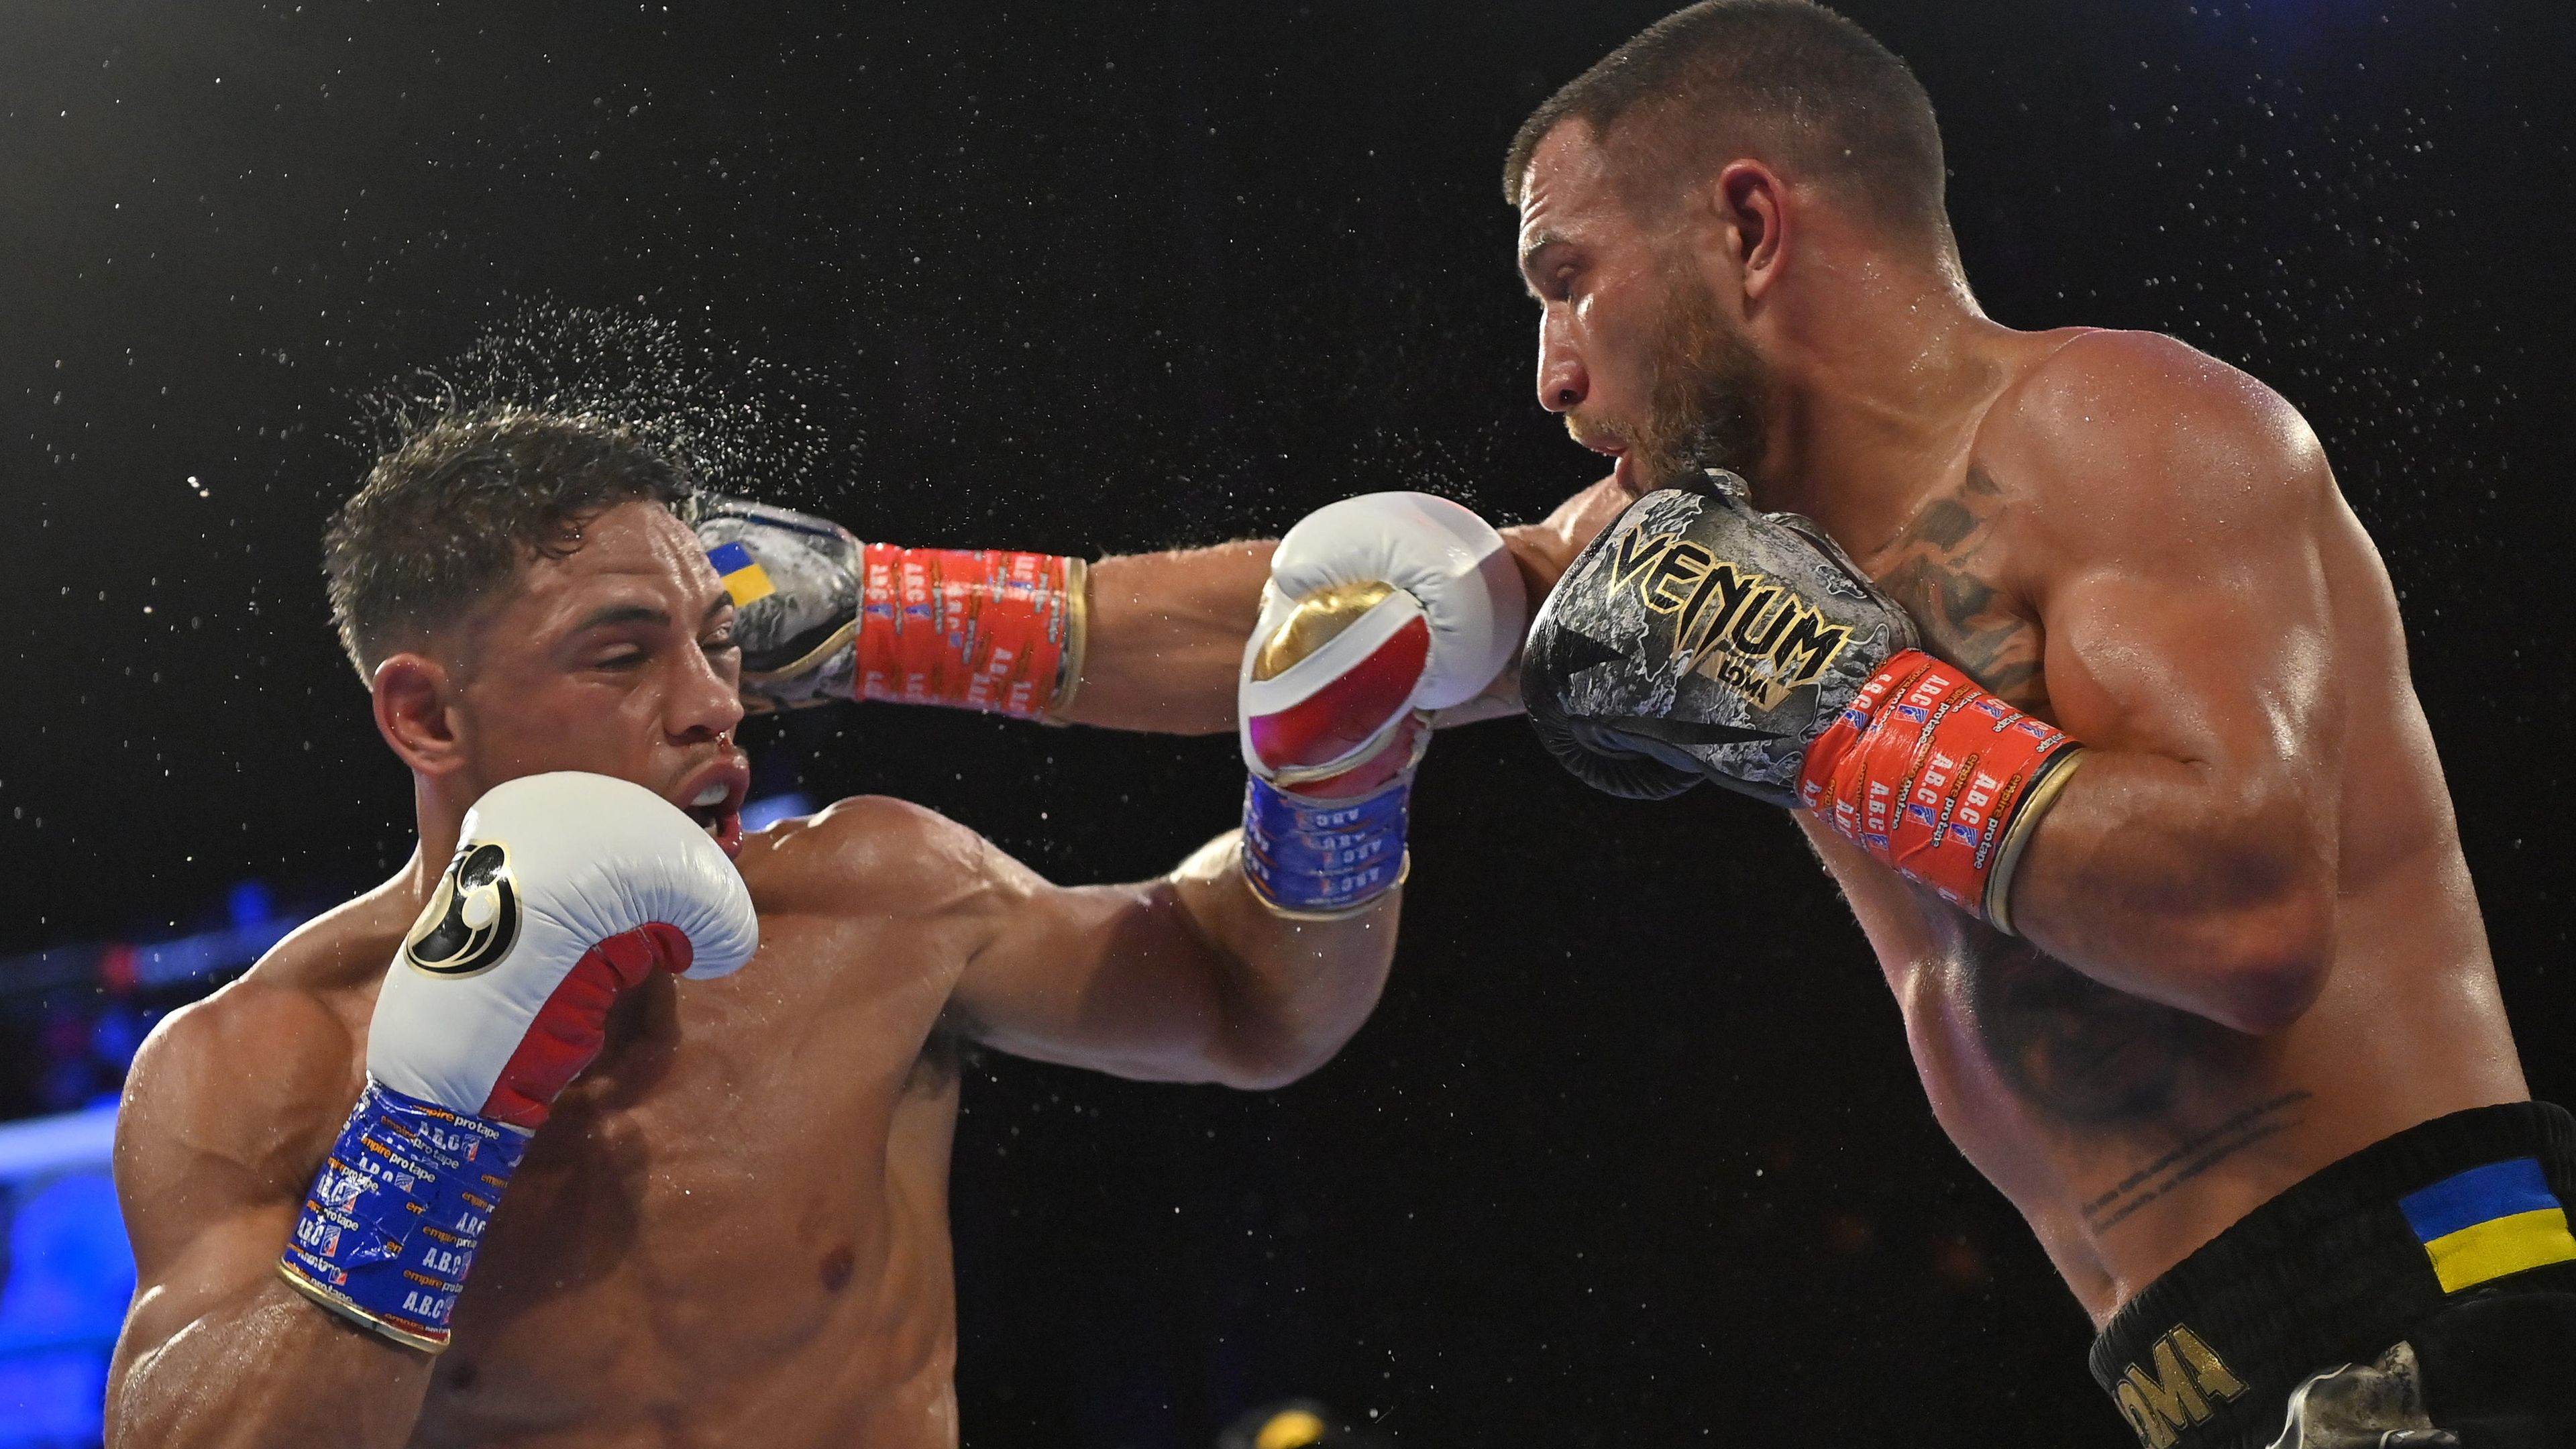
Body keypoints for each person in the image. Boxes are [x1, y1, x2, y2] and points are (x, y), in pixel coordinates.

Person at [1466, 3, 2571, 1445]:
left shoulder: (2114, 425)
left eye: (1571, 281)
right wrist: (1058, 624)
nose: (1552, 373)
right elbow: (1347, 609)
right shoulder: (1711, 565)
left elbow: (2249, 924)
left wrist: (1839, 704)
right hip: (2197, 1389)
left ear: (1746, 226)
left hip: (2439, 1324)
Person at [103, 409, 1525, 1448]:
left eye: (718, 643)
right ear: (424, 714)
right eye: (621, 654)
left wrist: (1326, 795)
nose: (715, 704)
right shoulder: (262, 1066)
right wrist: (424, 1145)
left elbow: (1252, 1006)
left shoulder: (875, 897)